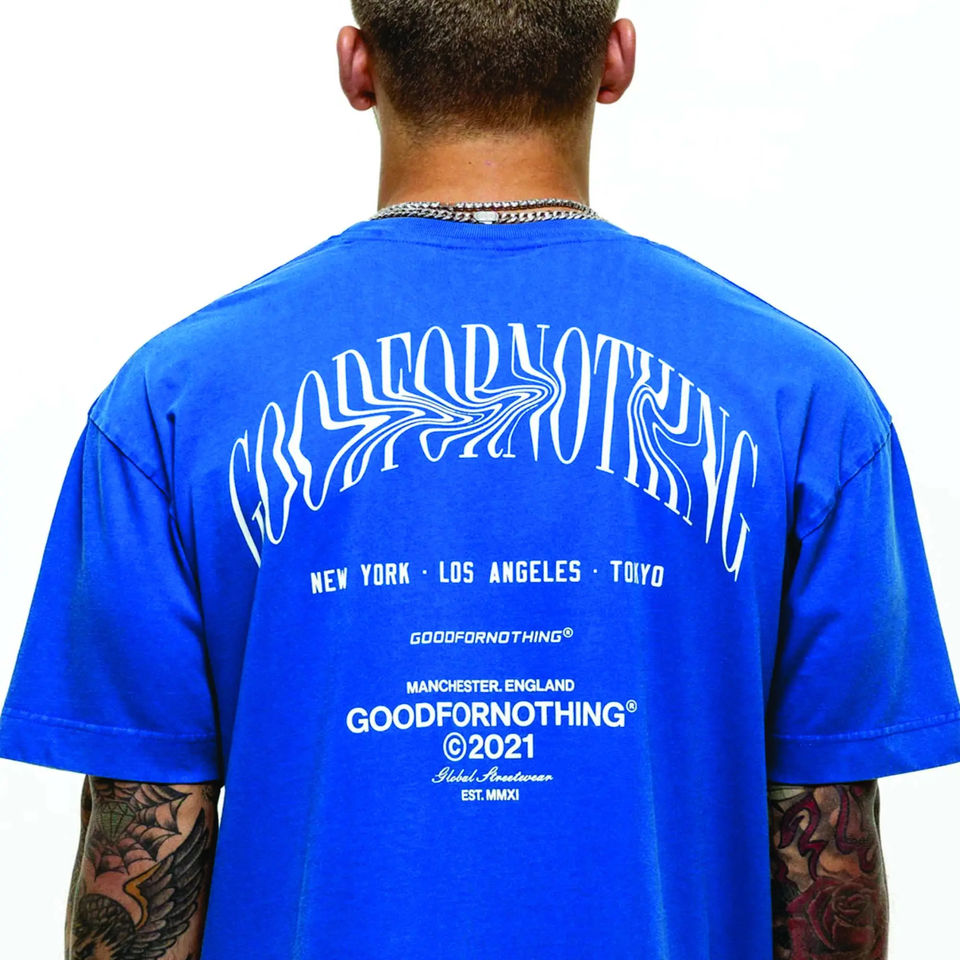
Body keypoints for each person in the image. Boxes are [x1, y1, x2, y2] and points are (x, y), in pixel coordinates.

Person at [1, 1, 958, 957]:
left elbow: (138, 861)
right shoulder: (806, 404)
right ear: (616, 60)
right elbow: (829, 865)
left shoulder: (173, 404)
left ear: (357, 67)